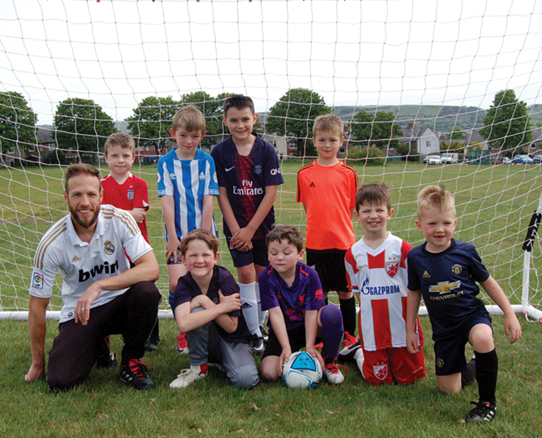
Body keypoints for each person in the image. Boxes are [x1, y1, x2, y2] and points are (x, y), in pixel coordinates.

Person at [25, 163, 161, 391]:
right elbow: (36, 306)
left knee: (146, 292)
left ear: (101, 195)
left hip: (119, 304)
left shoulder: (119, 219)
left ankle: (131, 362)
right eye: (77, 195)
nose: (85, 203)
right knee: (60, 382)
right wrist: (38, 364)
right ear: (66, 198)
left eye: (91, 194)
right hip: (80, 314)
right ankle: (99, 345)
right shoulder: (51, 243)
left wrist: (98, 285)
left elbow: (151, 268)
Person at [406, 185, 522, 423]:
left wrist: (509, 313)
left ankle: (487, 404)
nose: (440, 229)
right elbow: (414, 293)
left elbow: (489, 283)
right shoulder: (415, 257)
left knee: (482, 338)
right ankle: (476, 366)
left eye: (446, 223)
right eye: (432, 224)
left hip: (471, 317)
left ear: (455, 224)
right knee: (449, 389)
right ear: (419, 225)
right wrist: (410, 329)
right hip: (444, 330)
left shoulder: (466, 251)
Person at [211, 94, 284, 354]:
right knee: (246, 274)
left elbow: (271, 192)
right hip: (236, 226)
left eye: (245, 119)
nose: (240, 125)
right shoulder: (219, 152)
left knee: (263, 276)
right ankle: (252, 331)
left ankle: (261, 325)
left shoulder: (266, 150)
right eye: (233, 120)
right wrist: (236, 230)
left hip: (263, 227)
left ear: (254, 119)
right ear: (225, 121)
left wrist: (252, 229)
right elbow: (220, 194)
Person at [344, 184, 426, 385]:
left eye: (379, 210)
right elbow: (358, 293)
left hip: (401, 325)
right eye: (367, 211)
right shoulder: (352, 254)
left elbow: (414, 288)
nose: (373, 216)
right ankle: (359, 353)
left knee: (408, 379)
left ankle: (379, 350)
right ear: (357, 214)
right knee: (379, 381)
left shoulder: (402, 248)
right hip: (373, 328)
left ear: (389, 214)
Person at [157, 105, 219, 355]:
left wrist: (205, 238)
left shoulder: (207, 161)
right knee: (176, 284)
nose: (189, 141)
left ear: (202, 136)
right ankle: (184, 331)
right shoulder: (165, 162)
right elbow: (167, 200)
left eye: (194, 136)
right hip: (177, 234)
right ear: (174, 133)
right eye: (183, 135)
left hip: (204, 231)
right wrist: (173, 237)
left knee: (205, 281)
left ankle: (207, 329)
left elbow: (208, 199)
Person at [297, 114, 358, 348]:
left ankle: (349, 334)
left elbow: (351, 208)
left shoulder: (348, 173)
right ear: (314, 141)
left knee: (345, 291)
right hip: (315, 245)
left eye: (332, 140)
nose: (327, 145)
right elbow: (308, 206)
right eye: (322, 140)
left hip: (343, 244)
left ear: (341, 141)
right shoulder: (305, 173)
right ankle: (322, 336)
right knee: (319, 295)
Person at [169, 229, 259, 389]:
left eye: (205, 255)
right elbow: (183, 323)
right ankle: (198, 367)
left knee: (246, 380)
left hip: (232, 340)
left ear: (216, 257)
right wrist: (220, 307)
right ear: (183, 259)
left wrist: (204, 301)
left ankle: (227, 360)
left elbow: (231, 327)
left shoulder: (225, 280)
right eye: (193, 255)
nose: (199, 260)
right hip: (208, 338)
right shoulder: (184, 283)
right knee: (194, 314)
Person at [259, 225, 345, 384]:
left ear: (300, 254)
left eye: (286, 253)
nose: (279, 257)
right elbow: (275, 313)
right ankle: (291, 357)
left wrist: (310, 345)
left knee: (331, 313)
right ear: (268, 255)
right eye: (273, 253)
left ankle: (330, 360)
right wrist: (285, 347)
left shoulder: (310, 275)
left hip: (309, 326)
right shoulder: (265, 277)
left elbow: (312, 312)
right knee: (269, 373)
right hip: (283, 330)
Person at [101, 132, 160, 353]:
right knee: (108, 292)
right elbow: (101, 218)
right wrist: (124, 214)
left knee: (146, 291)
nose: (120, 160)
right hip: (110, 250)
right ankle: (102, 339)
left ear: (133, 158)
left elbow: (138, 215)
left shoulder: (140, 183)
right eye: (115, 155)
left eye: (125, 155)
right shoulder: (100, 185)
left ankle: (150, 336)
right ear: (106, 158)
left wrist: (113, 213)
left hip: (137, 249)